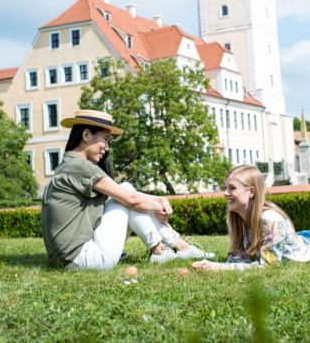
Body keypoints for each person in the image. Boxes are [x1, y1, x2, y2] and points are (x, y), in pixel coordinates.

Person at [41, 109, 213, 269]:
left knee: (125, 193)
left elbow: (127, 198)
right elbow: (131, 199)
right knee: (126, 192)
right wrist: (160, 205)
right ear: (86, 135)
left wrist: (159, 200)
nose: (107, 148)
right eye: (106, 140)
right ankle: (169, 249)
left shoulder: (69, 164)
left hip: (67, 258)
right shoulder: (79, 166)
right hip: (82, 258)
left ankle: (171, 248)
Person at [191, 162, 310, 271]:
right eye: (226, 187)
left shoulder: (270, 219)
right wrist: (210, 268)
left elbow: (266, 266)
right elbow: (237, 261)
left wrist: (216, 268)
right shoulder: (236, 218)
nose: (225, 193)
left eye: (232, 188)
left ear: (251, 192)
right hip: (305, 240)